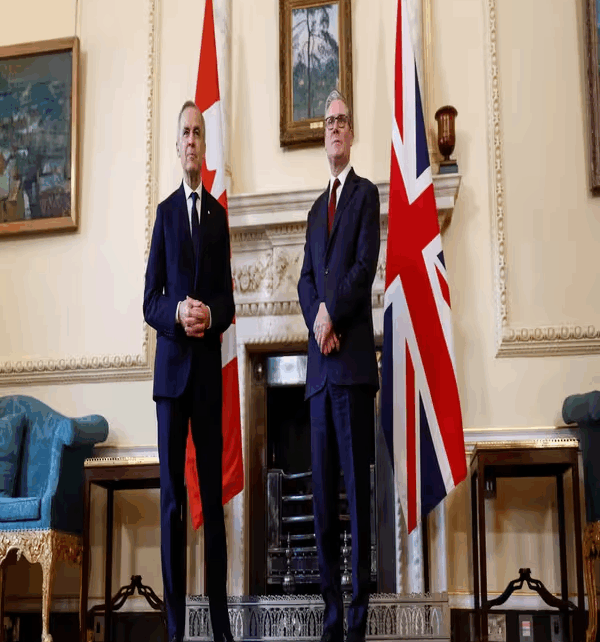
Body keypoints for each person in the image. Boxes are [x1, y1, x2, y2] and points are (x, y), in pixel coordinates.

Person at [143, 100, 235, 642]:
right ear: (177, 146)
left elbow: (227, 301)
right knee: (173, 502)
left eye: (199, 131)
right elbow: (149, 301)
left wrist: (209, 316)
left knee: (214, 503)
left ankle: (220, 626)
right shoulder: (165, 214)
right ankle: (176, 629)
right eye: (186, 132)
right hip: (171, 380)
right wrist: (178, 313)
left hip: (205, 378)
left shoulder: (219, 217)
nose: (193, 140)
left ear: (204, 144)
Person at [297, 89, 380, 642]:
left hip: (350, 369)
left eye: (342, 121)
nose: (334, 128)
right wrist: (315, 319)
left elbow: (364, 266)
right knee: (323, 499)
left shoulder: (366, 195)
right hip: (319, 375)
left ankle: (357, 616)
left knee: (357, 494)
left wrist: (330, 316)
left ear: (351, 133)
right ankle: (330, 612)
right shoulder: (312, 212)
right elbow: (306, 279)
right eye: (328, 121)